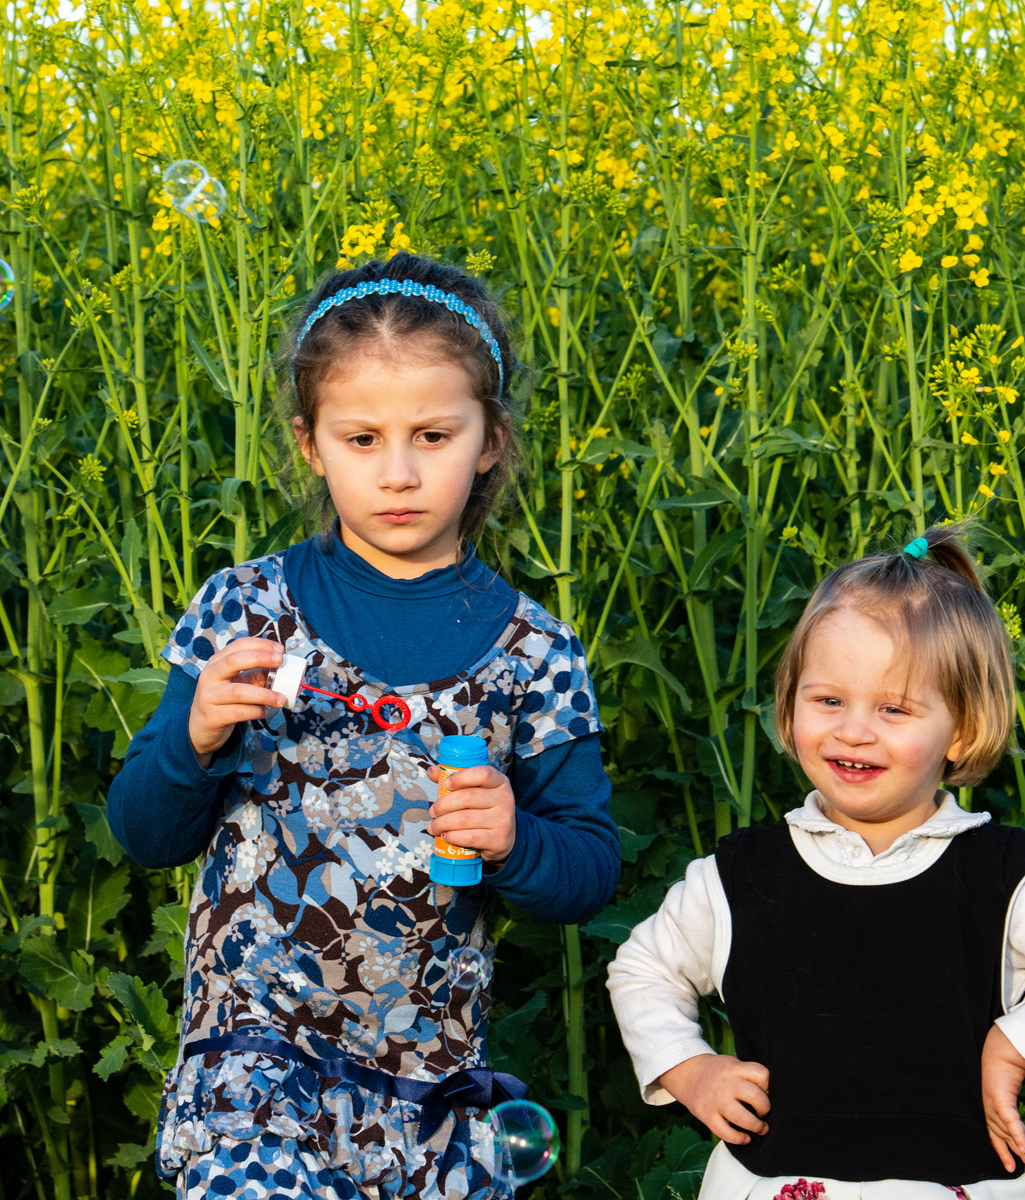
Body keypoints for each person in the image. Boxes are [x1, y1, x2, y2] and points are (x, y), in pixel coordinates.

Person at [107, 252, 620, 1200]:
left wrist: (516, 840)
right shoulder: (244, 612)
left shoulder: (535, 652)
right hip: (253, 1070)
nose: (399, 473)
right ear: (311, 445)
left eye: (433, 435)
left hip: (429, 1093)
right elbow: (142, 834)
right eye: (362, 439)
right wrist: (195, 740)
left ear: (492, 440)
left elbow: (589, 870)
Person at [606, 524, 1025, 1199]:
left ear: (963, 729)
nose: (853, 730)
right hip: (772, 1180)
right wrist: (687, 1066)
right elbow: (643, 969)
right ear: (789, 706)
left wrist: (1016, 1044)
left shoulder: (1004, 878)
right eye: (828, 700)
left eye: (894, 709)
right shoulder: (741, 875)